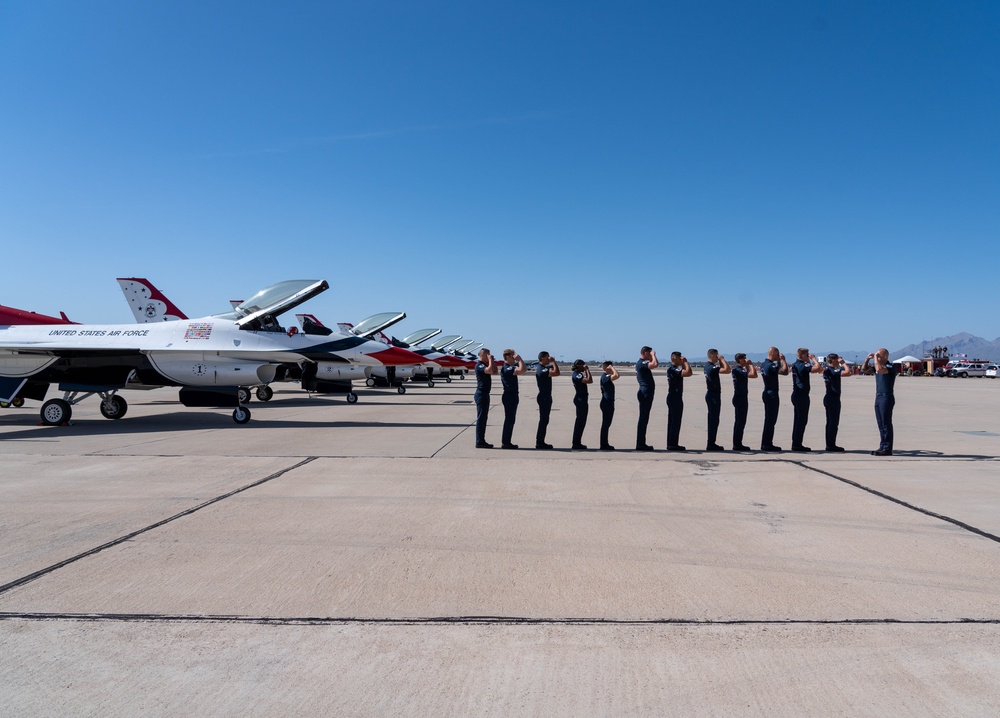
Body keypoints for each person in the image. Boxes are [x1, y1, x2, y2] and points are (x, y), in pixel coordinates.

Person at [863, 348, 896, 456]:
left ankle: (887, 448)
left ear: (885, 357)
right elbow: (864, 370)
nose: (877, 356)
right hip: (878, 396)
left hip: (886, 397)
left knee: (886, 423)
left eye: (879, 355)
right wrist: (867, 360)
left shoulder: (890, 367)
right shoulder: (877, 366)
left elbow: (880, 369)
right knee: (880, 423)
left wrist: (876, 359)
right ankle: (882, 445)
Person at [790, 348, 822, 452]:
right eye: (807, 354)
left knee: (798, 420)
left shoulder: (796, 364)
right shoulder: (801, 365)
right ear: (803, 355)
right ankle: (797, 444)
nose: (808, 356)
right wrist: (814, 359)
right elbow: (817, 368)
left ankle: (796, 443)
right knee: (801, 420)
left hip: (798, 394)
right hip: (801, 396)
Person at [760, 346, 789, 451]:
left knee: (768, 420)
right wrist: (783, 360)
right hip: (772, 394)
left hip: (767, 392)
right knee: (771, 420)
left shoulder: (764, 364)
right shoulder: (770, 365)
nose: (778, 356)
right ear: (772, 354)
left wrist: (778, 361)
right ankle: (767, 444)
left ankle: (766, 443)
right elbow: (785, 372)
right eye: (777, 354)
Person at [822, 353, 851, 452]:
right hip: (832, 398)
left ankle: (830, 444)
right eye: (837, 359)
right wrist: (843, 363)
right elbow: (848, 372)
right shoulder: (832, 370)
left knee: (830, 423)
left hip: (830, 397)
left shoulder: (828, 370)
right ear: (833, 360)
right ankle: (831, 445)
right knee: (833, 423)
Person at [499, 349, 527, 449]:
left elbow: (523, 369)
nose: (514, 357)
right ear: (507, 357)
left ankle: (507, 441)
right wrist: (519, 359)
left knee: (511, 419)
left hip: (513, 395)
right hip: (509, 396)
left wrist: (519, 361)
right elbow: (522, 370)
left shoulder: (510, 367)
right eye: (512, 356)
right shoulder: (507, 368)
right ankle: (505, 442)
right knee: (509, 419)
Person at [704, 349, 731, 451]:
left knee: (712, 419)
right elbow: (727, 370)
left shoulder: (707, 366)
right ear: (712, 355)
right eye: (716, 355)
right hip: (713, 395)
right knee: (714, 420)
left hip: (711, 394)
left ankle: (711, 442)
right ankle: (711, 444)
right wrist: (722, 360)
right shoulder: (711, 367)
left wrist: (719, 360)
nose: (718, 357)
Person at [731, 353, 758, 451]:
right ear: (740, 360)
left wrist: (747, 365)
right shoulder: (738, 370)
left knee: (740, 421)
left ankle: (738, 443)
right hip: (740, 398)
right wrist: (750, 364)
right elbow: (754, 375)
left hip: (740, 397)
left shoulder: (737, 369)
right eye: (744, 359)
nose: (746, 359)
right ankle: (737, 444)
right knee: (740, 422)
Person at [666, 351, 692, 451]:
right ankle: (672, 444)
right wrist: (686, 362)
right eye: (679, 358)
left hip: (674, 397)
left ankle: (671, 443)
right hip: (674, 397)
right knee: (675, 422)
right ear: (674, 359)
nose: (681, 359)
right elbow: (689, 373)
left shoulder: (673, 369)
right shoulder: (673, 369)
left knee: (673, 422)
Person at [534, 351, 560, 450]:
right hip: (543, 397)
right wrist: (553, 362)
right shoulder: (541, 369)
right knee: (543, 420)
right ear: (542, 358)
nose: (549, 358)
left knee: (545, 420)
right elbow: (556, 373)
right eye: (547, 357)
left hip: (546, 396)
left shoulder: (544, 368)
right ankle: (539, 442)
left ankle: (541, 441)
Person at [474, 348, 498, 448]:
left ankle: (481, 440)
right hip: (481, 393)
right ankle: (479, 441)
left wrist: (492, 361)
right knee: (481, 418)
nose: (489, 356)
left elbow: (495, 371)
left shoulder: (485, 364)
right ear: (483, 354)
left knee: (484, 418)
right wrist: (490, 361)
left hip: (485, 394)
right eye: (487, 354)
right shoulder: (479, 365)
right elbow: (489, 370)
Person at [635, 346, 658, 451]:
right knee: (643, 418)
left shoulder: (640, 364)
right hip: (645, 392)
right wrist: (653, 356)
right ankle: (640, 443)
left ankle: (641, 442)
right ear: (645, 353)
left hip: (645, 391)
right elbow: (655, 364)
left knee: (644, 418)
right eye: (649, 353)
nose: (651, 355)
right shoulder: (642, 363)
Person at [571, 359, 593, 450]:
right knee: (580, 421)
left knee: (582, 421)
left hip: (582, 398)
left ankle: (577, 442)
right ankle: (576, 443)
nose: (584, 366)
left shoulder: (578, 373)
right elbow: (589, 380)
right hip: (580, 399)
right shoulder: (577, 374)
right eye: (583, 365)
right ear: (579, 365)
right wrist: (587, 370)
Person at [599, 361, 620, 450]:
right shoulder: (605, 377)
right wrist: (611, 368)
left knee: (607, 424)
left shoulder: (606, 377)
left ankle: (604, 443)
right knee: (605, 424)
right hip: (607, 403)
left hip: (609, 402)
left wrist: (611, 368)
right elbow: (617, 375)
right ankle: (604, 444)